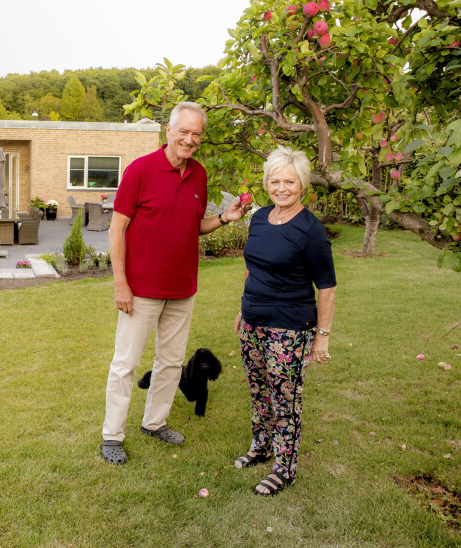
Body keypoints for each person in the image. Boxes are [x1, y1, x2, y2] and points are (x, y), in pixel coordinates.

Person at [100, 102, 250, 465]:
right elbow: (117, 228)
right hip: (141, 288)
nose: (190, 139)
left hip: (183, 288)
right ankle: (112, 435)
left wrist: (224, 219)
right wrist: (121, 283)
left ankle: (154, 422)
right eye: (183, 131)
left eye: (197, 133)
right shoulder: (140, 170)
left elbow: (192, 226)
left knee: (170, 362)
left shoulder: (198, 174)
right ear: (168, 131)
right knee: (126, 363)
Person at [232, 147, 337, 496]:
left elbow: (327, 288)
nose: (281, 188)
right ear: (267, 184)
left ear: (302, 185)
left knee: (285, 400)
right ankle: (261, 447)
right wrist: (243, 309)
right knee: (259, 392)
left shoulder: (311, 231)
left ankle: (285, 468)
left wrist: (321, 337)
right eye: (275, 181)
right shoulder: (260, 217)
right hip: (253, 322)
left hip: (289, 329)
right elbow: (254, 267)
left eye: (289, 181)